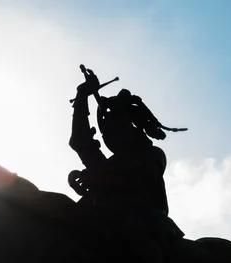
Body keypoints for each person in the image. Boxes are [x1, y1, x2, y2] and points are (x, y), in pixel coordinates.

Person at [68, 66, 185, 252]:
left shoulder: (151, 155)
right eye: (105, 132)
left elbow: (133, 181)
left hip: (144, 225)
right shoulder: (111, 164)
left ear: (133, 128)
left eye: (116, 127)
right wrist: (82, 96)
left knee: (141, 248)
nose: (109, 135)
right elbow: (81, 142)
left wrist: (96, 179)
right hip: (107, 219)